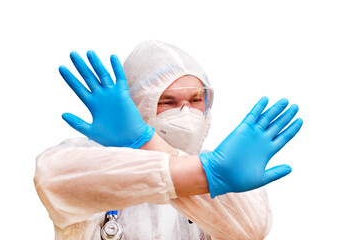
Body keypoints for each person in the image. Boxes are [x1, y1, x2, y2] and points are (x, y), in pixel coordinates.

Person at [34, 40, 303, 240]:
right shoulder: (89, 157)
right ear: (137, 105)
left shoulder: (228, 167)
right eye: (168, 101)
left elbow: (250, 230)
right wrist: (144, 145)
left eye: (196, 100)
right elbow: (51, 178)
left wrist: (150, 145)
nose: (185, 112)